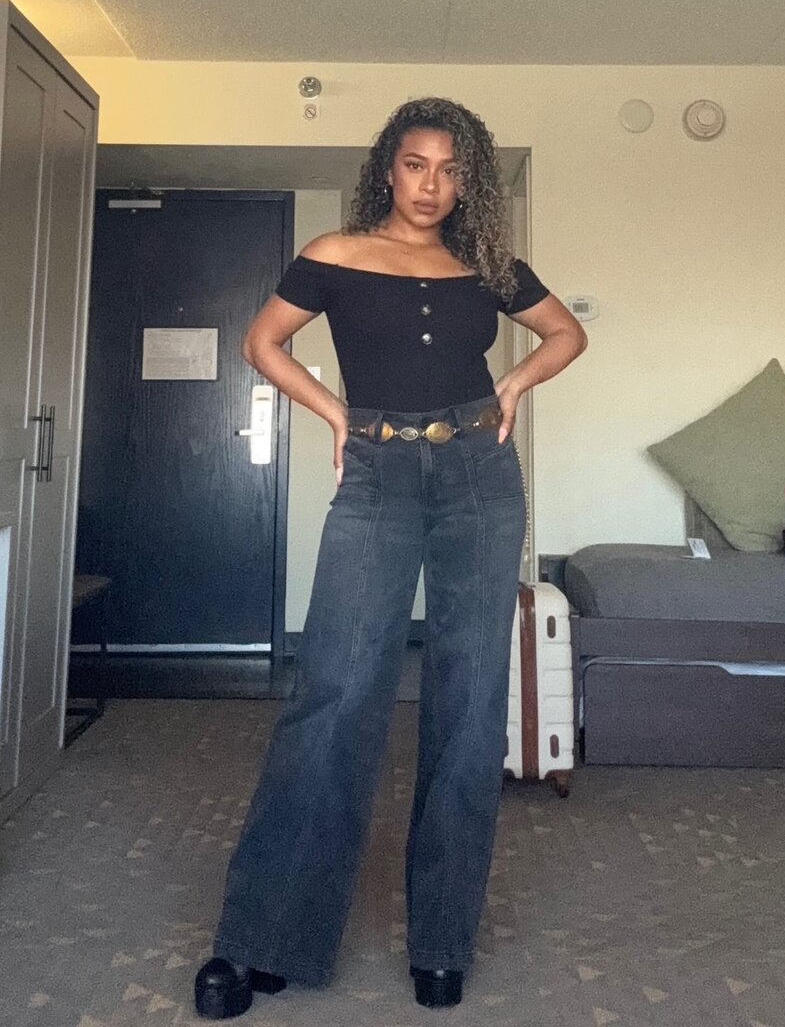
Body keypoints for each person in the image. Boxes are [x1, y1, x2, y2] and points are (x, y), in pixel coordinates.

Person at [194, 96, 587, 1020]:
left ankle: (441, 943)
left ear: (468, 182)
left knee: (469, 700)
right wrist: (335, 413)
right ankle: (265, 937)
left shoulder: (489, 266)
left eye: (451, 171)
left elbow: (568, 332)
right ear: (388, 169)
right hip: (375, 474)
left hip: (479, 478)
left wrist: (513, 384)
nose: (431, 186)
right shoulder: (335, 253)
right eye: (416, 165)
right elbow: (263, 342)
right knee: (335, 691)